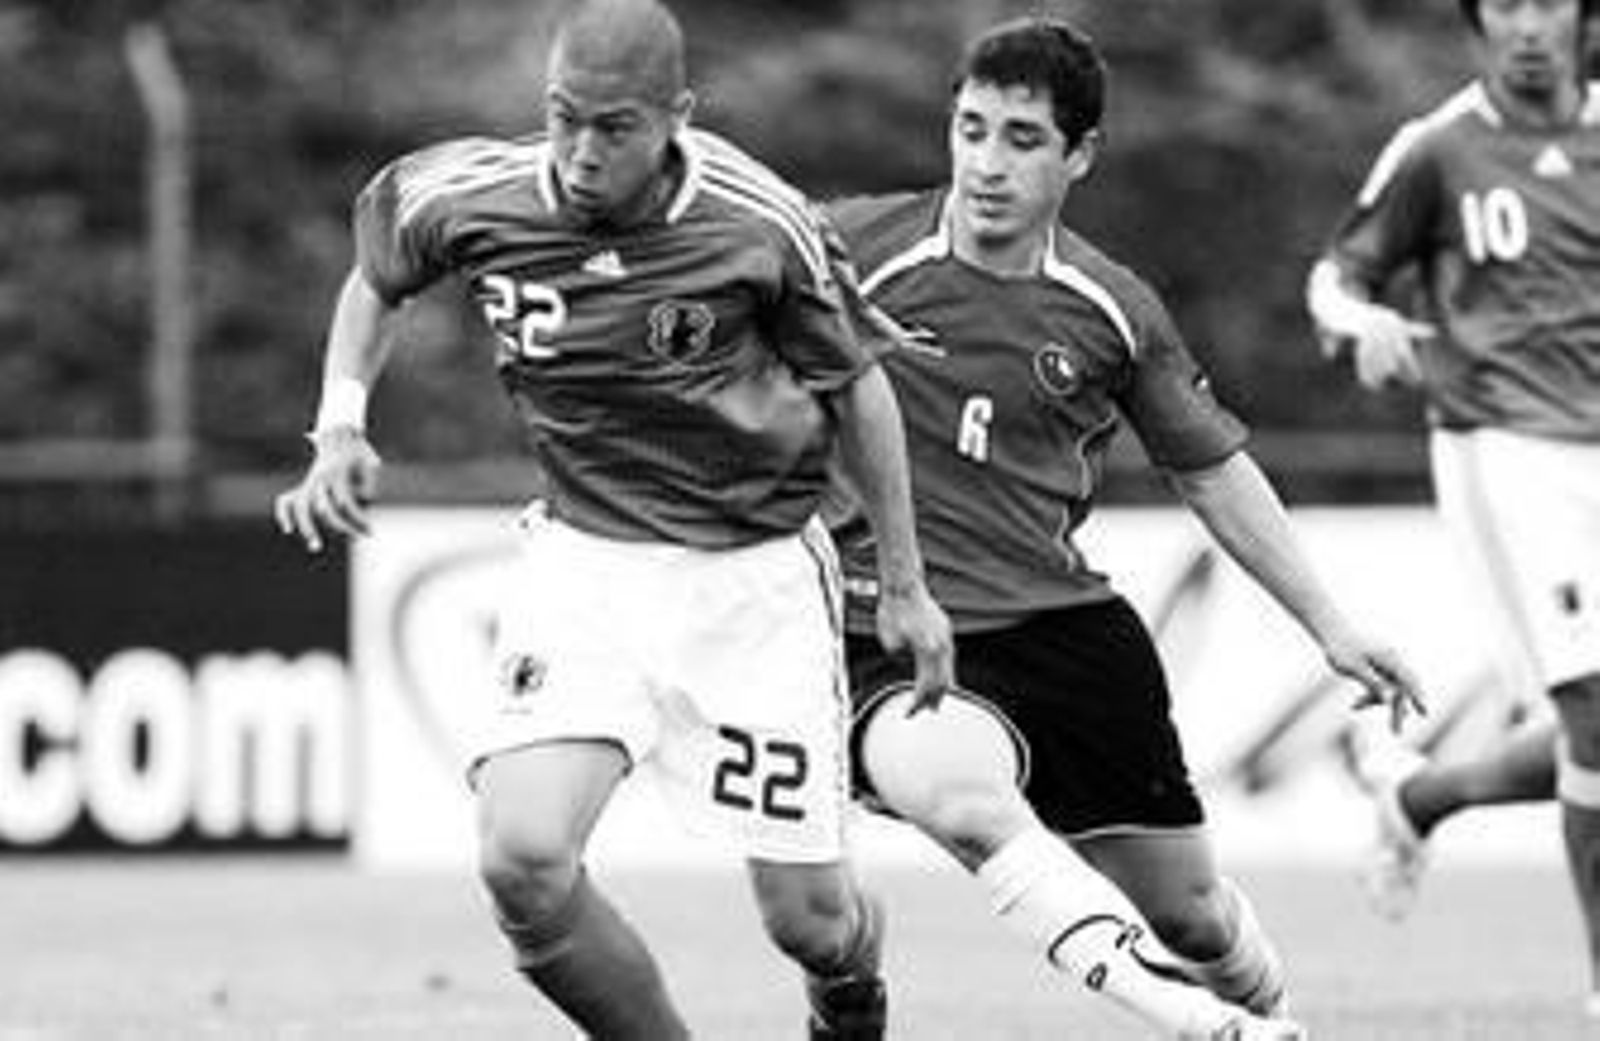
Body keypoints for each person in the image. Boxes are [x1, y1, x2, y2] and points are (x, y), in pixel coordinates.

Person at [272, 1, 955, 1038]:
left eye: (615, 127)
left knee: (810, 923)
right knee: (521, 860)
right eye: (564, 117)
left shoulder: (760, 223)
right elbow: (377, 279)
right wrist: (339, 426)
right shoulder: (471, 193)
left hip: (754, 580)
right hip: (586, 567)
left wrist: (904, 586)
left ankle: (850, 982)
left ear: (679, 116)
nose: (582, 152)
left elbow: (858, 387)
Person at [823, 15, 1425, 1041]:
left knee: (1193, 916)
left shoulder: (1111, 308)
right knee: (967, 805)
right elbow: (708, 277)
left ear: (1080, 155)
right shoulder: (848, 252)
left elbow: (1212, 473)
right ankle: (1195, 1025)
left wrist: (1331, 625)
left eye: (1022, 139)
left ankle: (1266, 1012)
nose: (987, 164)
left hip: (1061, 635)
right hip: (891, 627)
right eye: (971, 129)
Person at [1305, 0, 1600, 1013]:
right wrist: (1365, 324)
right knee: (1592, 710)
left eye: (1548, 1)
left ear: (1584, 18)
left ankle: (1416, 795)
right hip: (1506, 448)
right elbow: (1333, 279)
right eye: (1504, 4)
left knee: (1593, 728)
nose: (1528, 25)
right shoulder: (1437, 148)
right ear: (1478, 22)